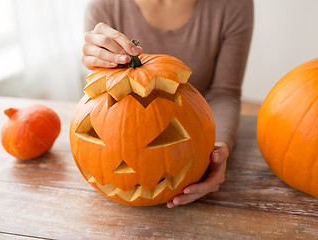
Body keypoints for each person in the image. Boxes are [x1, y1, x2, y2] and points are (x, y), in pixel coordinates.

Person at [82, 0, 254, 208]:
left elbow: (225, 93)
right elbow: (103, 99)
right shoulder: (104, 6)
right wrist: (97, 65)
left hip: (190, 134)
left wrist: (220, 150)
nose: (125, 166)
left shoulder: (234, 6)